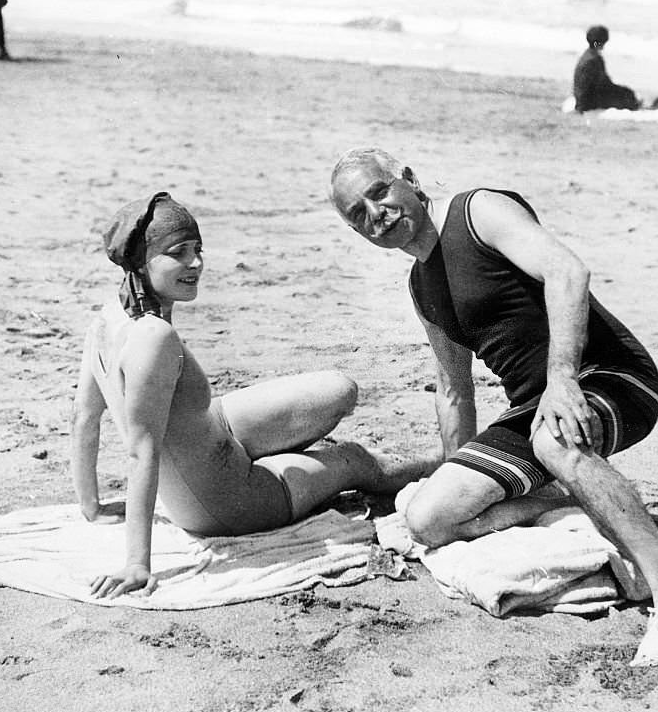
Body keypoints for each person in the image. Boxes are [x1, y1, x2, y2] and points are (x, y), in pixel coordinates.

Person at [329, 149, 658, 667]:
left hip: (609, 376)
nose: (375, 214)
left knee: (553, 438)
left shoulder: (478, 212)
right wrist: (456, 481)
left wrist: (561, 377)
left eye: (379, 193)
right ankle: (588, 504)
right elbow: (453, 391)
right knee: (428, 518)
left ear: (409, 180)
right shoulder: (422, 287)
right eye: (358, 213)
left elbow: (568, 273)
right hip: (534, 410)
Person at [73, 192, 433, 599]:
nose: (195, 264)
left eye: (197, 249)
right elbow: (141, 450)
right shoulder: (154, 337)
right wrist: (137, 563)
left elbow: (84, 418)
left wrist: (92, 505)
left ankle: (290, 454)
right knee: (354, 458)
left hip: (213, 431)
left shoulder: (107, 318)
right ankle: (450, 461)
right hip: (226, 497)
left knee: (338, 391)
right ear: (142, 262)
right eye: (178, 253)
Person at [572, 25, 640, 113]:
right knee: (627, 94)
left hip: (582, 99)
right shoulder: (594, 59)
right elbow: (604, 84)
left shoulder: (586, 55)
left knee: (625, 92)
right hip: (588, 102)